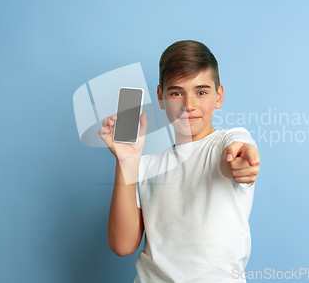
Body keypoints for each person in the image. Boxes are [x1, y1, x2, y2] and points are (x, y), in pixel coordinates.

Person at [99, 40, 261, 282]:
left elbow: (240, 153)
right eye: (176, 93)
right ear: (161, 98)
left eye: (201, 92)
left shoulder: (227, 142)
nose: (189, 105)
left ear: (219, 96)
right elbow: (122, 245)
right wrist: (126, 161)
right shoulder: (145, 166)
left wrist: (243, 163)